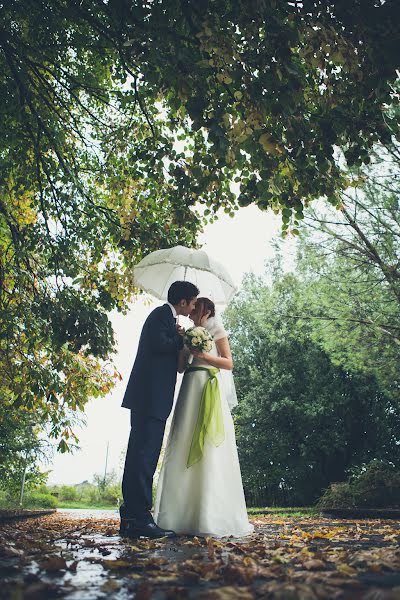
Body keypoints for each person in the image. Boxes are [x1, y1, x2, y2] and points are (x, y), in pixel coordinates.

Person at [154, 297, 254, 538]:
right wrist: (182, 345)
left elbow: (228, 363)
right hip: (189, 387)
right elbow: (180, 367)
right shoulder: (189, 333)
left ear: (206, 310)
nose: (190, 314)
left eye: (195, 309)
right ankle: (178, 515)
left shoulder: (217, 329)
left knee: (210, 445)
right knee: (184, 440)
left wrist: (204, 355)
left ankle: (210, 514)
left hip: (209, 386)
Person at [120, 280, 199, 538]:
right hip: (149, 399)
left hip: (151, 399)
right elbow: (158, 344)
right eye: (193, 302)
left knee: (140, 457)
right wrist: (179, 338)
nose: (194, 307)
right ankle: (141, 518)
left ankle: (131, 518)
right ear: (183, 301)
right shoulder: (161, 314)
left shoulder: (166, 317)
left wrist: (175, 335)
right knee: (143, 458)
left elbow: (162, 343)